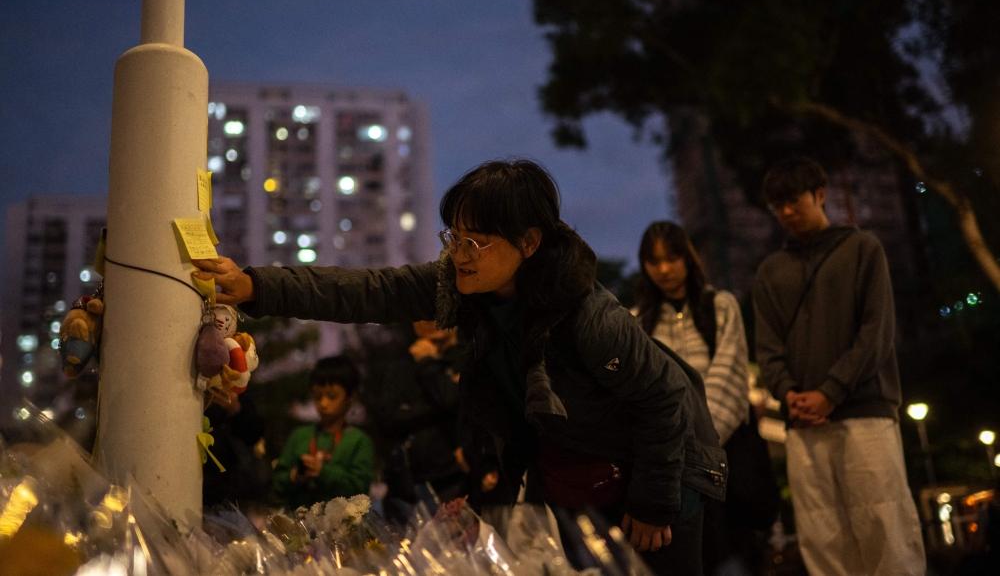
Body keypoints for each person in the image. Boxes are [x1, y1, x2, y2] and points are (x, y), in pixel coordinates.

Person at [194, 159, 727, 576]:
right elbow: (368, 290)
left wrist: (656, 504)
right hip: (573, 483)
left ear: (529, 242)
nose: (460, 253)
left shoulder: (587, 314)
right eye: (453, 236)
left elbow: (665, 400)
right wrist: (257, 285)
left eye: (476, 241)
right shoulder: (462, 285)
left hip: (665, 469)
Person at [752, 157, 925, 575]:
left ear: (821, 195)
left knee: (884, 524)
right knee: (821, 535)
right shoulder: (770, 271)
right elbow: (767, 349)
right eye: (778, 206)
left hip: (865, 413)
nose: (787, 213)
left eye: (794, 201)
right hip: (803, 424)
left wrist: (830, 391)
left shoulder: (863, 248)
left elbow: (877, 332)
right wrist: (789, 394)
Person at [634, 221, 775, 575]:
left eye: (672, 258)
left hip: (724, 461)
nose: (664, 269)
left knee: (734, 557)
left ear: (688, 258)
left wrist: (691, 448)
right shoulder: (638, 323)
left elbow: (730, 378)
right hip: (675, 471)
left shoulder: (719, 306)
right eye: (654, 261)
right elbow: (641, 396)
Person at [368, 321, 467, 524]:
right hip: (405, 485)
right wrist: (440, 404)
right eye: (422, 313)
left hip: (454, 481)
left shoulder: (468, 358)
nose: (430, 320)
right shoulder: (400, 366)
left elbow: (450, 400)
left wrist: (427, 363)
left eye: (436, 312)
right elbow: (385, 420)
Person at [272, 356, 375, 510]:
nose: (323, 403)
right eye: (317, 396)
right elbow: (277, 484)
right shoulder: (300, 435)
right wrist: (294, 476)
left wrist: (323, 472)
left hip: (341, 528)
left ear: (352, 396)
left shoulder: (359, 441)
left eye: (332, 396)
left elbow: (360, 491)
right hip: (298, 524)